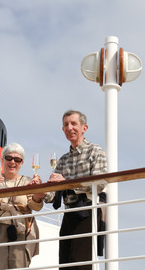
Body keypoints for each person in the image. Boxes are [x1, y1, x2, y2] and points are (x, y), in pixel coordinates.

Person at [44, 110, 107, 270]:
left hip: (88, 211)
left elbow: (99, 183)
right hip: (69, 214)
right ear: (63, 130)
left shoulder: (95, 151)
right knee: (64, 265)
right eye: (66, 124)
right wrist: (41, 190)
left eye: (73, 123)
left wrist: (67, 182)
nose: (69, 127)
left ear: (84, 128)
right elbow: (52, 196)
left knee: (81, 264)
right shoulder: (63, 160)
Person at [0, 142, 44, 270]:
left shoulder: (27, 181)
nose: (12, 162)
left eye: (17, 159)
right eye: (9, 158)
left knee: (19, 266)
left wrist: (37, 195)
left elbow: (36, 207)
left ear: (22, 163)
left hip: (21, 229)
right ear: (3, 160)